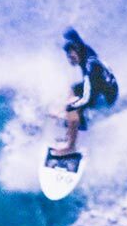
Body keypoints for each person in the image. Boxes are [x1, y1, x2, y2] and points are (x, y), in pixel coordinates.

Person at [50, 27, 117, 158]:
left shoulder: (89, 69)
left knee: (72, 108)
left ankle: (71, 147)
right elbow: (78, 40)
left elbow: (86, 98)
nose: (70, 60)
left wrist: (67, 108)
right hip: (102, 86)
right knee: (73, 89)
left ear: (78, 52)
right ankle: (77, 122)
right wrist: (71, 34)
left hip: (105, 97)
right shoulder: (85, 50)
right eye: (68, 57)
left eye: (72, 56)